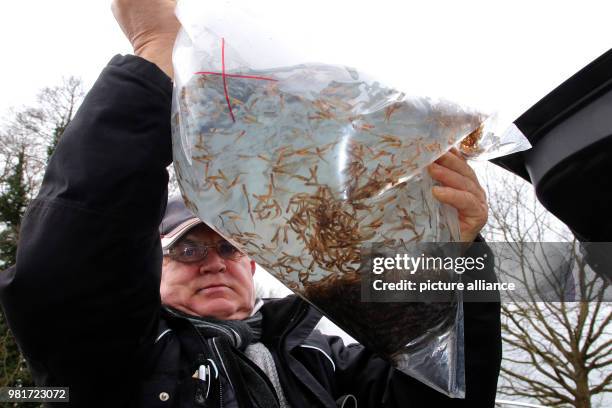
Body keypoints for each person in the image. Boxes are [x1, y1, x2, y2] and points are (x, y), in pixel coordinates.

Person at [0, 0, 501, 406]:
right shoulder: (122, 358)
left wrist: (449, 255)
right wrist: (155, 52)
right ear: (152, 266)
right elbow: (66, 282)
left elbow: (449, 390)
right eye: (188, 250)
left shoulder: (328, 362)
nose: (214, 263)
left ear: (254, 259)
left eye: (229, 248)